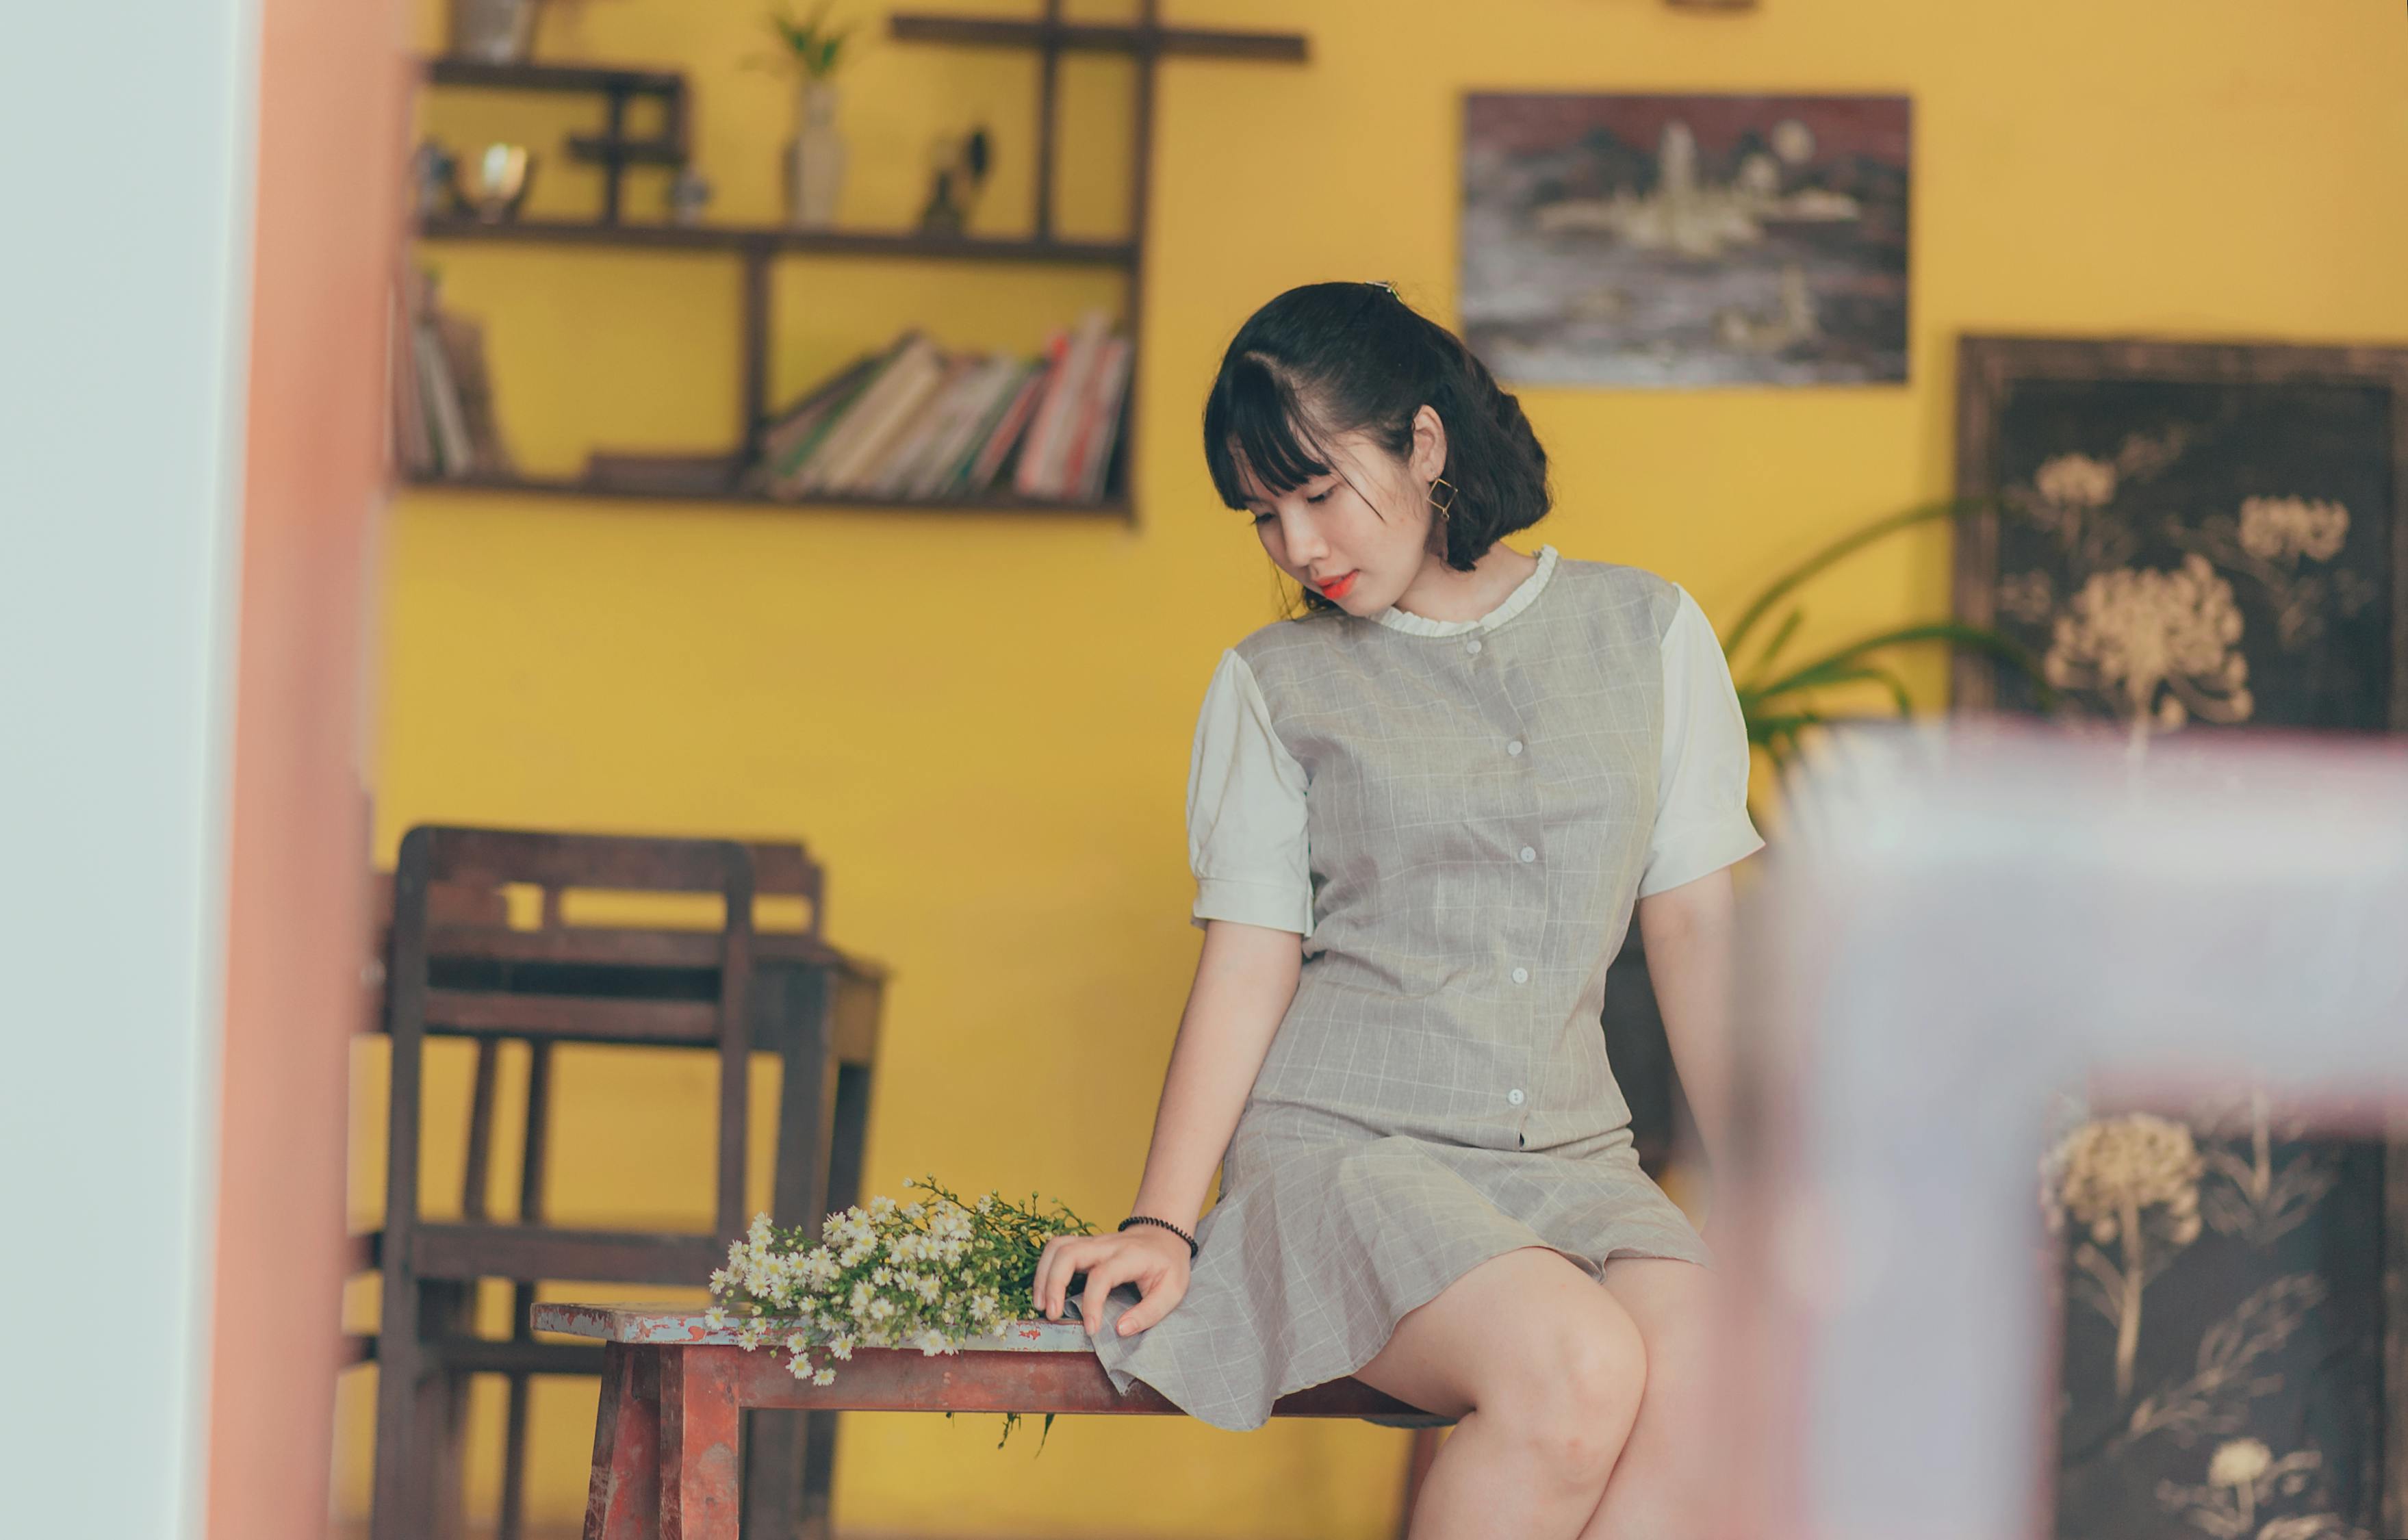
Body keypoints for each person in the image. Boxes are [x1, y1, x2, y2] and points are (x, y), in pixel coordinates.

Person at [1030, 281, 1763, 1539]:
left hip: (1574, 1163)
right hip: (1347, 1157)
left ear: (1423, 444)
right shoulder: (1273, 684)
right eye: (1264, 515)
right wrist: (1161, 1217)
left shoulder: (1648, 633)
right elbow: (1248, 962)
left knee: (1710, 1375)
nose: (1297, 545)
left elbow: (1696, 930)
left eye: (1318, 492)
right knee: (1575, 1367)